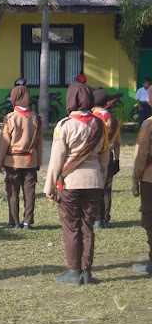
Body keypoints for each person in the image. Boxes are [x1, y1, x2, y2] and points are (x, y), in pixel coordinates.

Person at [44, 83, 109, 285]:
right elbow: (105, 158)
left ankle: (73, 272)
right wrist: (102, 179)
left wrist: (49, 187)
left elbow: (57, 159)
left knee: (71, 227)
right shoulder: (100, 125)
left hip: (70, 183)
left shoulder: (65, 125)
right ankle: (87, 272)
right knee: (87, 227)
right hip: (94, 181)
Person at [0, 86, 43, 229]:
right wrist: (38, 161)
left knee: (13, 192)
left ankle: (14, 221)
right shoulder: (36, 118)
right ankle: (27, 221)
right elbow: (39, 143)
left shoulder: (10, 118)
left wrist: (0, 161)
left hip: (13, 161)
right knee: (29, 193)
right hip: (30, 161)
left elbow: (4, 142)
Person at [92, 90, 121, 229]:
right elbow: (117, 143)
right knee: (107, 187)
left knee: (95, 186)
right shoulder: (114, 120)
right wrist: (117, 159)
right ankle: (105, 218)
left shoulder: (92, 119)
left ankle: (96, 218)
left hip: (95, 155)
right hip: (108, 155)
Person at [131, 111, 152, 275]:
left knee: (149, 219)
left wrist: (135, 179)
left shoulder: (149, 124)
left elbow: (141, 155)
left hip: (150, 178)